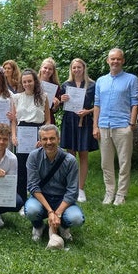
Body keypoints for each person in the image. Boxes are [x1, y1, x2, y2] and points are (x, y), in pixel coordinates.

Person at [25, 125, 85, 248]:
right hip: (41, 198)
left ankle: (63, 226)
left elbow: (72, 191)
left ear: (59, 139)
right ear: (40, 141)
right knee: (31, 210)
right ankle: (38, 226)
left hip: (62, 200)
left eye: (52, 138)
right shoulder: (34, 157)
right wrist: (50, 211)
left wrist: (57, 213)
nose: (49, 142)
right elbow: (33, 186)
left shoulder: (70, 160)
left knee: (77, 219)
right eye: (44, 139)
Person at [93, 48, 138, 206]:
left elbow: (135, 102)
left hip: (122, 126)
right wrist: (95, 126)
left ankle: (121, 194)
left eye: (118, 59)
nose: (115, 61)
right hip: (104, 125)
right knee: (105, 163)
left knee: (124, 162)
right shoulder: (101, 81)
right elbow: (97, 104)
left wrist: (131, 124)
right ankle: (109, 192)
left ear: (123, 61)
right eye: (112, 59)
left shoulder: (131, 79)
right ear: (108, 61)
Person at [59, 58, 99, 203]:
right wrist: (62, 99)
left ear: (84, 68)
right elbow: (58, 104)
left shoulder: (92, 85)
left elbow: (99, 105)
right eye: (74, 67)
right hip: (69, 121)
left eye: (79, 67)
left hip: (85, 121)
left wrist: (88, 111)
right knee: (70, 156)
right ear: (71, 69)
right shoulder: (66, 85)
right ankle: (71, 187)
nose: (76, 70)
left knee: (83, 155)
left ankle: (81, 189)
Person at [11, 69, 50, 205]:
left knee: (39, 167)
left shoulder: (43, 97)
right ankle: (22, 200)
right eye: (24, 82)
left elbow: (48, 120)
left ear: (35, 81)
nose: (27, 84)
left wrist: (43, 137)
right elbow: (14, 120)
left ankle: (39, 199)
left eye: (30, 81)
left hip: (38, 133)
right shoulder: (16, 98)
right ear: (21, 83)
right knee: (22, 168)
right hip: (22, 135)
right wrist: (14, 136)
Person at [37, 57, 62, 125]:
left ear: (53, 71)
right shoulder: (33, 82)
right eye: (45, 68)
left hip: (49, 119)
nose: (47, 70)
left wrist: (56, 105)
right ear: (41, 68)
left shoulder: (56, 87)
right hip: (34, 118)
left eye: (50, 69)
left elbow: (53, 110)